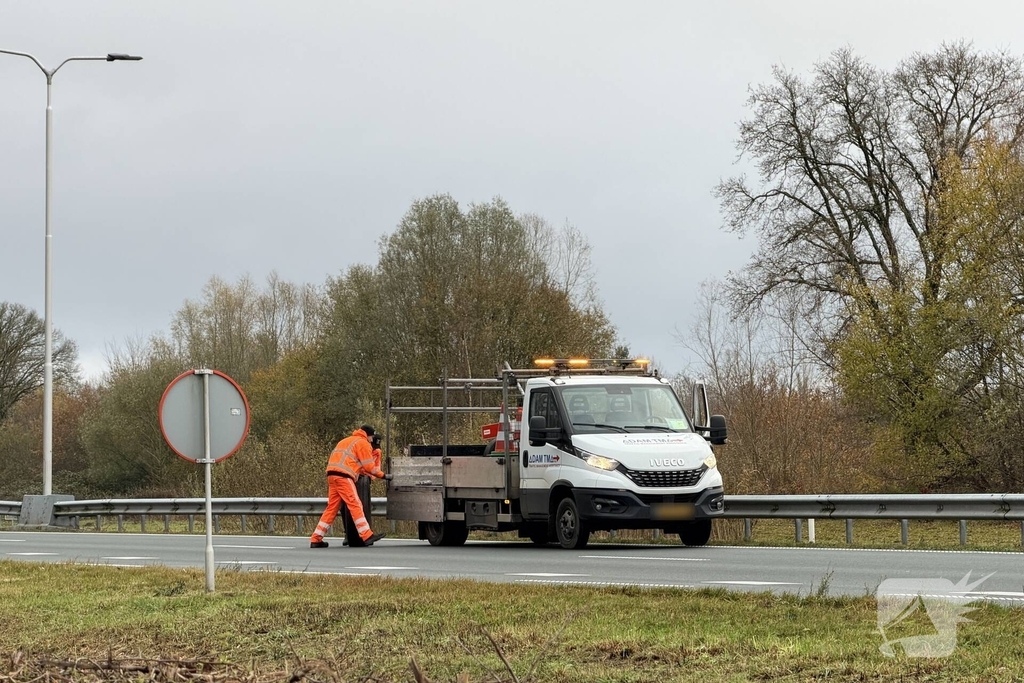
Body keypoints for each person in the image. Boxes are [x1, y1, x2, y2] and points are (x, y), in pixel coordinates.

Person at [310, 424, 390, 548]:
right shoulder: (363, 443)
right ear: (368, 436)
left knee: (332, 508)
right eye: (371, 437)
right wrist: (384, 476)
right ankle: (366, 535)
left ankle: (316, 538)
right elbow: (369, 467)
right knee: (355, 503)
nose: (371, 440)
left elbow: (353, 462)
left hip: (332, 474)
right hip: (344, 476)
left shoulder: (346, 440)